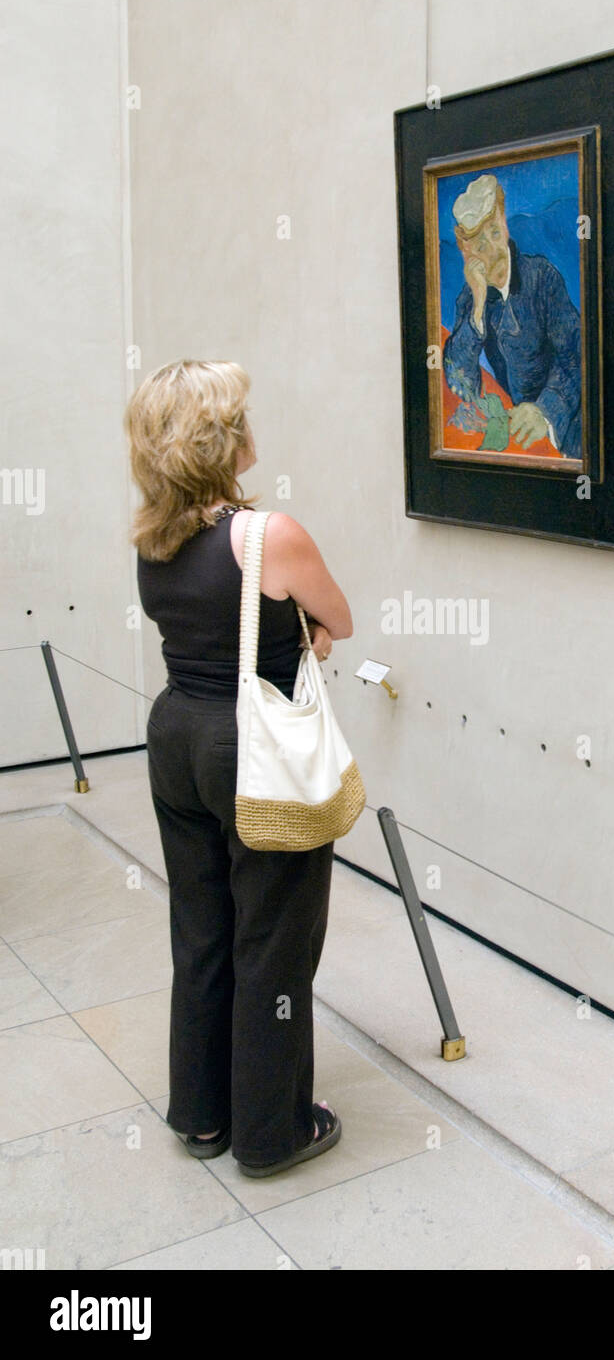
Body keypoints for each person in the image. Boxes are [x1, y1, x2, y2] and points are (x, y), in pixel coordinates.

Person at [127, 358, 353, 1177]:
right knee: (275, 937)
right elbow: (340, 619)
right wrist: (309, 635)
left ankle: (203, 1115)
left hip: (176, 738)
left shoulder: (152, 537)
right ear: (221, 438)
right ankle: (272, 1131)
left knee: (203, 928)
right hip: (250, 751)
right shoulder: (269, 535)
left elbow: (203, 626)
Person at [442, 173, 583, 460]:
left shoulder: (541, 276)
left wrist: (545, 412)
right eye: (480, 246)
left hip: (568, 427)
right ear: (465, 249)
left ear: (505, 222)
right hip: (520, 441)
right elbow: (462, 385)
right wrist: (478, 308)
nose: (494, 252)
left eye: (495, 233)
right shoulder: (470, 299)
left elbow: (577, 357)